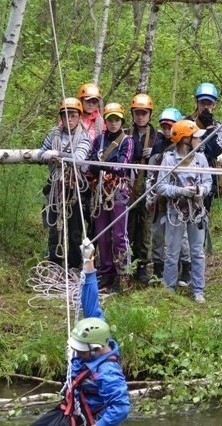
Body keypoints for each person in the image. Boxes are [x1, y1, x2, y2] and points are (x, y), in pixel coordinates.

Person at [3, 240, 130, 426]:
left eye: (80, 349)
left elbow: (122, 406)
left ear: (95, 349)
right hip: (66, 408)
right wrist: (89, 264)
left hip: (74, 425)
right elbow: (91, 303)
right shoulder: (98, 333)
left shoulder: (107, 373)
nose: (76, 351)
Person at [156, 120, 212, 303]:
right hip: (175, 212)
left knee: (197, 251)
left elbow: (207, 181)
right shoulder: (169, 159)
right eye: (195, 137)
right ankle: (169, 287)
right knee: (172, 251)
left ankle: (198, 289)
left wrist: (201, 191)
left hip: (196, 211)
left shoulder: (200, 159)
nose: (198, 140)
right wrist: (179, 191)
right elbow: (160, 186)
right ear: (184, 139)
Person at [86, 102, 134, 294]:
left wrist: (102, 165)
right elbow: (90, 162)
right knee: (103, 236)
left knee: (120, 236)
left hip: (118, 192)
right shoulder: (99, 140)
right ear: (105, 121)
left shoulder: (126, 141)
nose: (113, 123)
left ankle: (123, 274)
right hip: (100, 192)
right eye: (110, 120)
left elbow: (123, 164)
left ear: (121, 121)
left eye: (116, 120)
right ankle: (106, 273)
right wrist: (97, 166)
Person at [38, 97, 92, 269]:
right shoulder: (53, 134)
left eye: (73, 115)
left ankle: (75, 265)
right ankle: (54, 264)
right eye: (66, 115)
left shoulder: (84, 137)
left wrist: (58, 155)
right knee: (54, 226)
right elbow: (41, 153)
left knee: (75, 228)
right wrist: (46, 155)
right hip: (56, 185)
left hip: (74, 187)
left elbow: (79, 158)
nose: (69, 119)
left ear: (79, 117)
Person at [146, 107, 192, 284]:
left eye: (170, 127)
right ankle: (158, 269)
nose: (167, 131)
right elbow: (151, 174)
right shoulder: (157, 148)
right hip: (160, 197)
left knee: (183, 237)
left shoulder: (184, 149)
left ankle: (186, 269)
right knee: (157, 233)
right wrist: (150, 196)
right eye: (164, 127)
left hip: (178, 199)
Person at [126, 93, 157, 286]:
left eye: (144, 113)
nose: (140, 117)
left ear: (149, 115)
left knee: (145, 229)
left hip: (147, 186)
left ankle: (143, 265)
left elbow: (167, 153)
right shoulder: (125, 134)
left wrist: (155, 152)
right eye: (137, 113)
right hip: (128, 187)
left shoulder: (157, 137)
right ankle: (127, 262)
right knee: (128, 227)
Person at [186, 82, 222, 206]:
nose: (205, 107)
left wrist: (209, 127)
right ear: (196, 102)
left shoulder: (218, 126)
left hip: (207, 176)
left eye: (209, 103)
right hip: (186, 172)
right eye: (202, 103)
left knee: (203, 216)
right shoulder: (186, 122)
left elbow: (216, 150)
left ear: (214, 105)